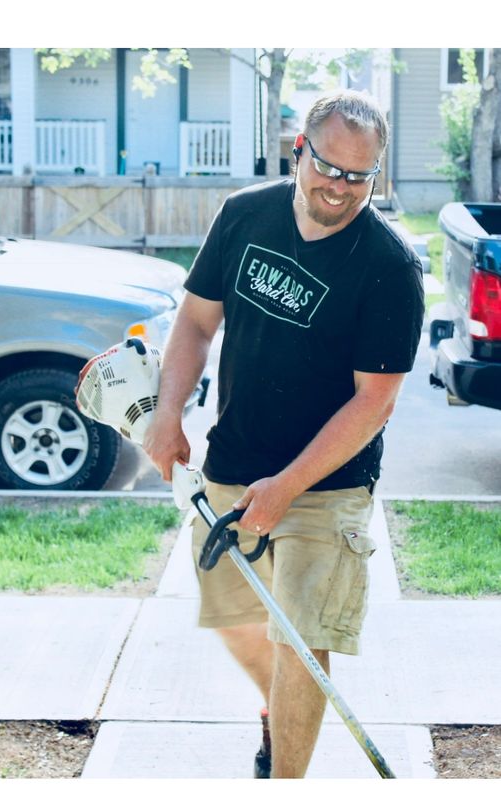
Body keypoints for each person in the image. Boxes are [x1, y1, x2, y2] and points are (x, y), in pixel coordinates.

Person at [143, 89, 425, 779]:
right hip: (233, 459)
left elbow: (373, 403)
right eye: (328, 166)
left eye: (359, 176)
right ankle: (278, 710)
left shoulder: (388, 266)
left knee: (300, 640)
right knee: (235, 619)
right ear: (300, 150)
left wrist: (289, 486)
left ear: (376, 175)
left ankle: (285, 780)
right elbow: (195, 322)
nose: (339, 186)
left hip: (327, 484)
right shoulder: (244, 214)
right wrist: (167, 409)